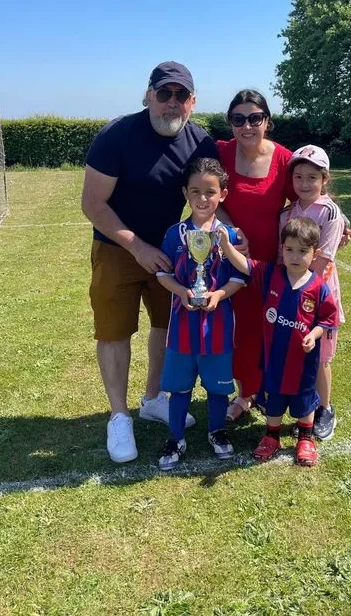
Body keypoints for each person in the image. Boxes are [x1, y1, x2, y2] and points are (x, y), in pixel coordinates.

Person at [81, 61, 219, 463]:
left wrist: (234, 236)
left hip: (170, 251)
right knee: (114, 331)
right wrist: (136, 246)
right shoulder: (117, 135)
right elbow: (93, 203)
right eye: (164, 94)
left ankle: (154, 398)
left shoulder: (200, 143)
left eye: (181, 95)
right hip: (116, 247)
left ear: (192, 102)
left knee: (167, 325)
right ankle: (119, 415)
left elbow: (213, 197)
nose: (171, 103)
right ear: (148, 96)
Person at [219, 217, 340, 466]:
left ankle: (305, 437)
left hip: (303, 362)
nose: (295, 257)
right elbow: (245, 265)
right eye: (290, 250)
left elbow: (327, 319)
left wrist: (313, 335)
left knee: (304, 399)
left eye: (303, 251)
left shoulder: (318, 287)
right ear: (282, 249)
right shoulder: (271, 275)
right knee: (273, 398)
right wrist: (226, 246)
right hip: (274, 359)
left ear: (314, 254)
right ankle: (271, 436)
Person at [155, 158, 246, 470]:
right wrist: (182, 292)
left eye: (210, 192)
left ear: (223, 194)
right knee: (180, 385)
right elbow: (162, 275)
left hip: (218, 327)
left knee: (218, 386)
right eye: (196, 191)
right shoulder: (174, 234)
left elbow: (239, 277)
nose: (203, 198)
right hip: (182, 326)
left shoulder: (230, 236)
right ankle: (176, 437)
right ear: (185, 193)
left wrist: (219, 294)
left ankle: (216, 432)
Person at [216, 90, 294, 422]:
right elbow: (208, 198)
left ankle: (271, 393)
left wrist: (336, 217)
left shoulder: (285, 159)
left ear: (267, 121)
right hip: (230, 259)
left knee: (271, 329)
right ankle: (244, 394)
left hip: (272, 262)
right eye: (238, 119)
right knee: (238, 330)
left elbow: (308, 195)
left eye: (254, 118)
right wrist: (232, 233)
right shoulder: (220, 153)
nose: (246, 126)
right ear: (230, 123)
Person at [279, 145, 346, 441]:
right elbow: (282, 256)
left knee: (320, 357)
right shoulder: (287, 213)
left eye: (312, 177)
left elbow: (324, 258)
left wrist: (304, 291)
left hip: (319, 294)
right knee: (298, 351)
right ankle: (303, 406)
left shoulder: (330, 210)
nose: (304, 184)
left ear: (325, 179)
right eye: (298, 177)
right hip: (291, 292)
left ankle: (325, 408)